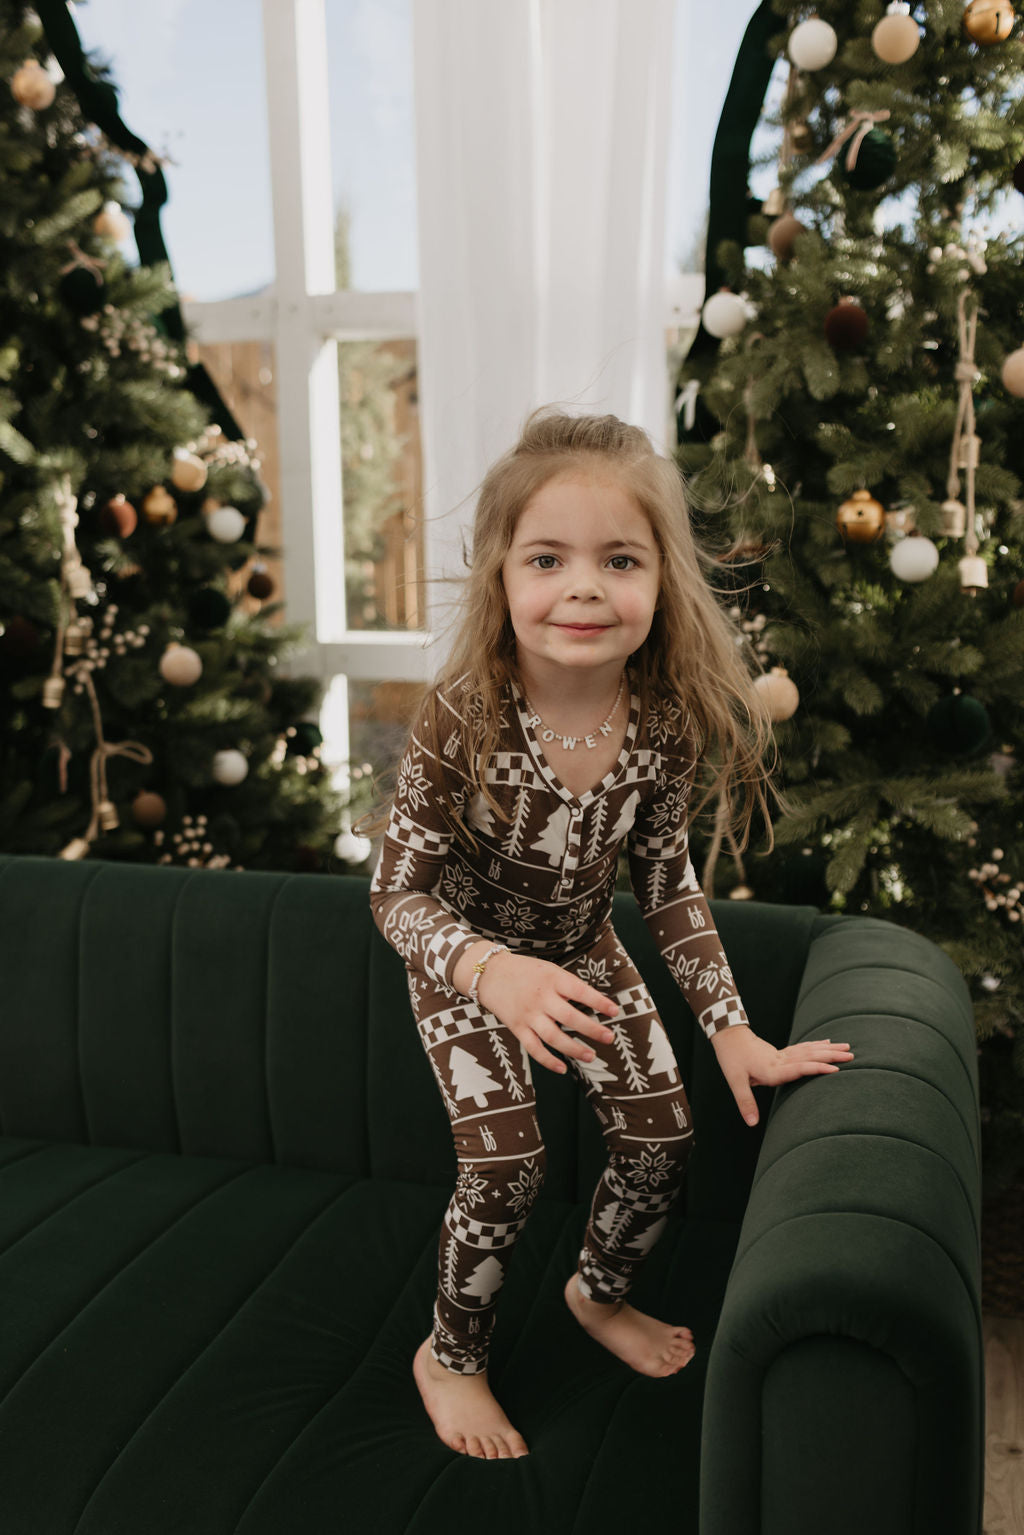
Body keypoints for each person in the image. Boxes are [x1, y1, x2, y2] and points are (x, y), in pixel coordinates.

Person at [367, 409, 852, 1461]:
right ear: (501, 574)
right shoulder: (462, 713)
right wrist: (493, 974)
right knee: (505, 1169)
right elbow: (397, 895)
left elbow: (665, 880)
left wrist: (730, 1029)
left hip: (585, 950)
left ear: (661, 579)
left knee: (660, 1138)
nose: (583, 586)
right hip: (469, 957)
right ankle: (449, 1354)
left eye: (618, 558)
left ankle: (598, 1290)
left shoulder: (664, 716)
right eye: (547, 557)